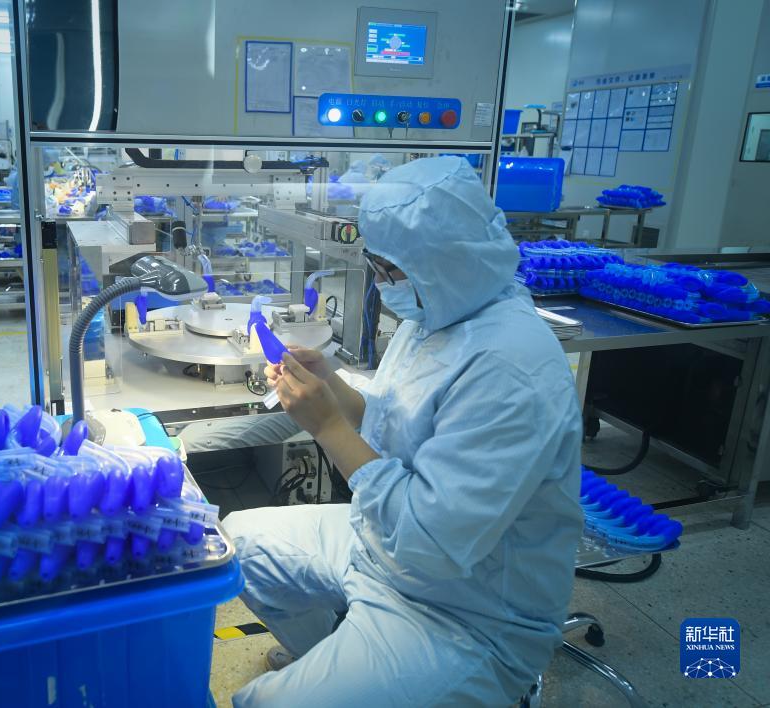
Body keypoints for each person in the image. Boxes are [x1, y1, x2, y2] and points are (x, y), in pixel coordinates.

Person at [223, 156, 583, 707]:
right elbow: (396, 418)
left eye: (388, 269)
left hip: (466, 612)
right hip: (385, 545)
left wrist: (325, 425)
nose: (379, 281)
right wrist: (333, 385)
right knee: (238, 545)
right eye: (375, 264)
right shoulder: (439, 314)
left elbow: (432, 543)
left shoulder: (511, 370)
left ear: (444, 260)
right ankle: (337, 664)